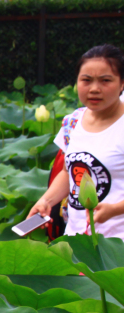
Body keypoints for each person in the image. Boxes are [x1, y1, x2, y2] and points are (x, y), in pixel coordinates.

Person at [30, 44, 124, 239]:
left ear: (122, 84)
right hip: (76, 239)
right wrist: (47, 200)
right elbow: (67, 172)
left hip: (117, 246)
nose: (95, 89)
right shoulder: (72, 122)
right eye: (86, 80)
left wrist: (115, 209)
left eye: (105, 81)